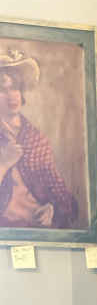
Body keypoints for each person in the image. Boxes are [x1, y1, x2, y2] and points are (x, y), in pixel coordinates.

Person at [0, 48, 78, 229]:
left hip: (36, 231)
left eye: (16, 87)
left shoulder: (36, 139)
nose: (12, 96)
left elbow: (63, 197)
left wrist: (53, 209)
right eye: (3, 89)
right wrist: (4, 164)